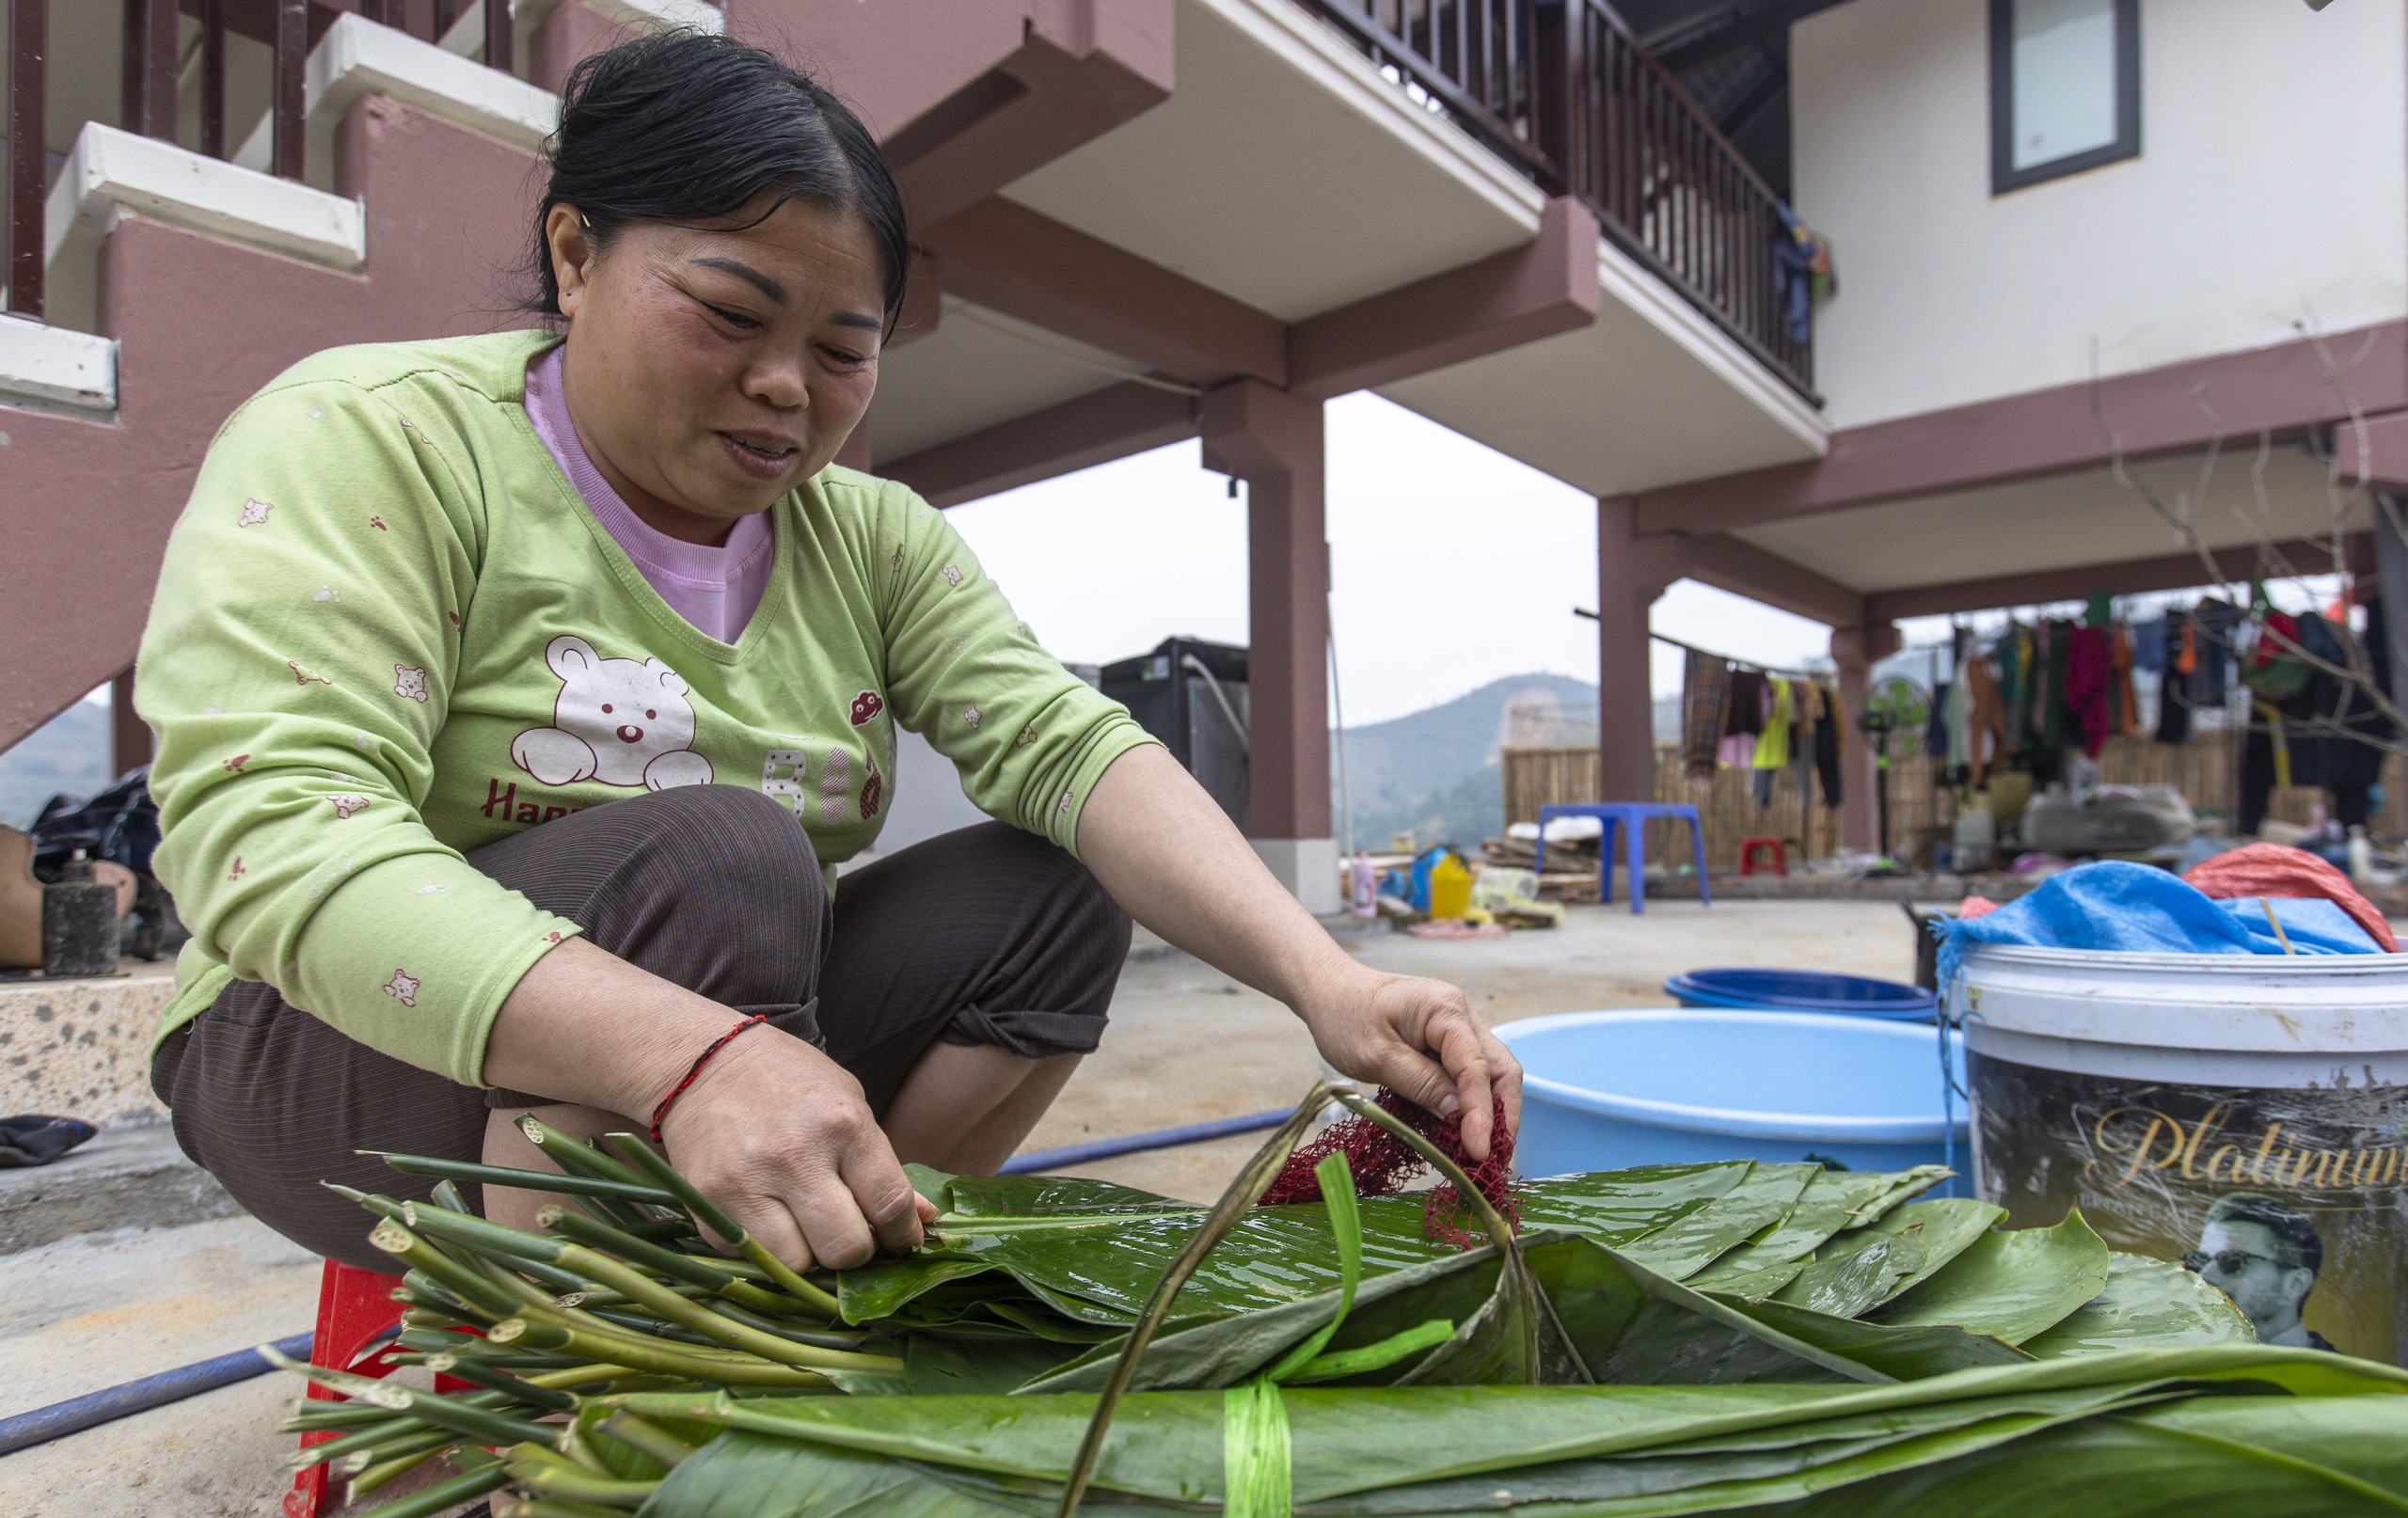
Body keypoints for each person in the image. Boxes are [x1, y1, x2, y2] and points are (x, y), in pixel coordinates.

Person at [135, 31, 1518, 1276]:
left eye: (843, 349)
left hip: (725, 1029)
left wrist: (1329, 980)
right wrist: (691, 1055)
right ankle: (581, 1387)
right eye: (731, 314)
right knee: (723, 856)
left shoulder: (869, 537)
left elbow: (1073, 747)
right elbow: (277, 835)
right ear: (575, 253)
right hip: (332, 1047)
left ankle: (833, 1278)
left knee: (1053, 890)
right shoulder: (377, 441)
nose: (788, 385)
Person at [2185, 1193, 2335, 1351]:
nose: (2205, 1275)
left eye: (2232, 1261)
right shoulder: (2178, 1366)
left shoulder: (2342, 1374)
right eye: (2199, 1260)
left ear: (2295, 1284)